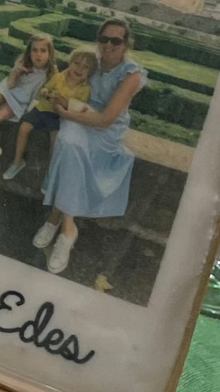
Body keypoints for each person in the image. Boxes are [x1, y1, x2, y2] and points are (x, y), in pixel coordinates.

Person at [34, 20, 148, 276]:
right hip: (80, 114)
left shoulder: (131, 75)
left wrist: (67, 114)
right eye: (104, 39)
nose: (109, 45)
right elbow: (64, 82)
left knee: (68, 143)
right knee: (67, 142)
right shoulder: (90, 62)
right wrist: (57, 100)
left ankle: (56, 219)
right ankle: (67, 227)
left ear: (126, 44)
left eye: (116, 41)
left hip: (104, 131)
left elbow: (107, 119)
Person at [1, 45, 97, 182]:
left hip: (59, 116)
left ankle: (50, 173)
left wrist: (64, 102)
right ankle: (17, 161)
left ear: (90, 72)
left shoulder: (84, 89)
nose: (79, 69)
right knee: (24, 127)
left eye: (85, 67)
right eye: (76, 63)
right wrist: (45, 92)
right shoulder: (58, 77)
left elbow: (77, 107)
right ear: (70, 63)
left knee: (55, 138)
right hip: (42, 109)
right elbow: (45, 88)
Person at [0, 33, 52, 182]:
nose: (38, 54)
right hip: (8, 90)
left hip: (20, 100)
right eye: (34, 50)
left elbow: (39, 96)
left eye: (43, 51)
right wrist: (16, 71)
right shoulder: (24, 62)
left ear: (50, 53)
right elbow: (9, 85)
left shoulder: (50, 73)